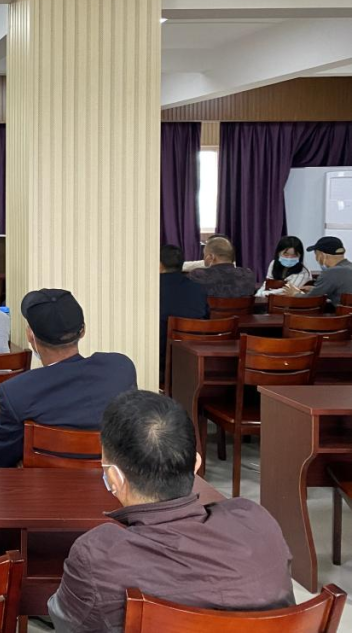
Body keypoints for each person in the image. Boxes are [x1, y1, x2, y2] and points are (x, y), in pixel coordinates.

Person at [47, 391, 294, 633]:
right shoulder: (258, 524)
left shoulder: (98, 555)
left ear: (114, 477)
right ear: (196, 464)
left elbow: (67, 623)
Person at [0, 288, 136, 469]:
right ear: (83, 331)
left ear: (31, 336)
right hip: (111, 483)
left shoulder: (16, 391)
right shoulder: (121, 368)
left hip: (44, 484)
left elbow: (4, 457)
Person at [159, 244, 209, 382]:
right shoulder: (198, 289)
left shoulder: (153, 288)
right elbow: (206, 317)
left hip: (160, 359)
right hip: (194, 355)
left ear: (159, 265)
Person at [286, 236, 352, 306]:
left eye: (316, 254)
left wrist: (295, 294)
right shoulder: (349, 267)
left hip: (342, 312)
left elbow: (311, 300)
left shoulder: (331, 272)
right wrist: (316, 289)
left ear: (322, 255)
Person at [188, 236, 257, 298]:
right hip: (241, 309)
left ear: (211, 257)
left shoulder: (197, 276)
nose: (204, 258)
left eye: (204, 255)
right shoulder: (247, 275)